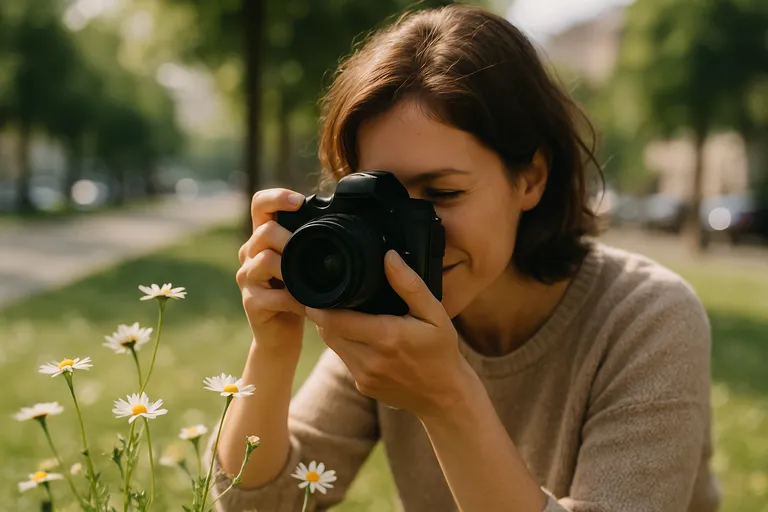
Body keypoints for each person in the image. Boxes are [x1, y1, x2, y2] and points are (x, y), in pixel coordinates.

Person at [208, 5, 720, 511]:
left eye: (443, 193)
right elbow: (261, 503)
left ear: (531, 178)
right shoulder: (388, 308)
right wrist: (272, 348)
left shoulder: (649, 319)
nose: (414, 231)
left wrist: (447, 398)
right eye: (380, 201)